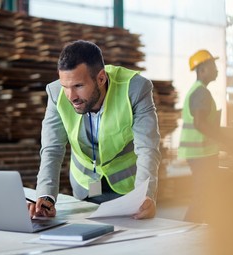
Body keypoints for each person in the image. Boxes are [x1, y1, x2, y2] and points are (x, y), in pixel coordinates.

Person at [28, 40, 161, 220]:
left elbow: (147, 148)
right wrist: (46, 196)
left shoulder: (136, 89)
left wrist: (145, 195)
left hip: (128, 189)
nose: (71, 96)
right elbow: (52, 149)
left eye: (78, 86)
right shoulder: (55, 93)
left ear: (100, 78)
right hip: (84, 187)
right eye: (66, 87)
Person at [178, 49, 222, 223]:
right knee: (202, 197)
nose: (217, 70)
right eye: (213, 66)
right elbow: (200, 123)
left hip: (200, 153)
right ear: (202, 70)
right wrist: (225, 139)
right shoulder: (201, 92)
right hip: (202, 154)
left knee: (206, 195)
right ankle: (186, 232)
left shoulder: (197, 91)